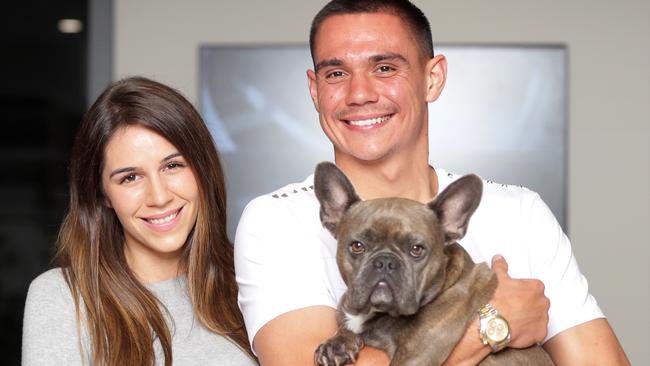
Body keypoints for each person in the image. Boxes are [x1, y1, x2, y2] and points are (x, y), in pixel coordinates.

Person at [234, 0, 630, 365]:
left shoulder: (519, 212)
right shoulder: (276, 221)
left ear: (433, 78)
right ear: (315, 90)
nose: (359, 94)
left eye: (385, 68)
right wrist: (492, 323)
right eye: (336, 73)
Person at [22, 77, 257, 365]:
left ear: (202, 169)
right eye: (130, 177)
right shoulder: (63, 297)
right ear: (102, 193)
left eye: (172, 166)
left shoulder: (252, 280)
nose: (158, 197)